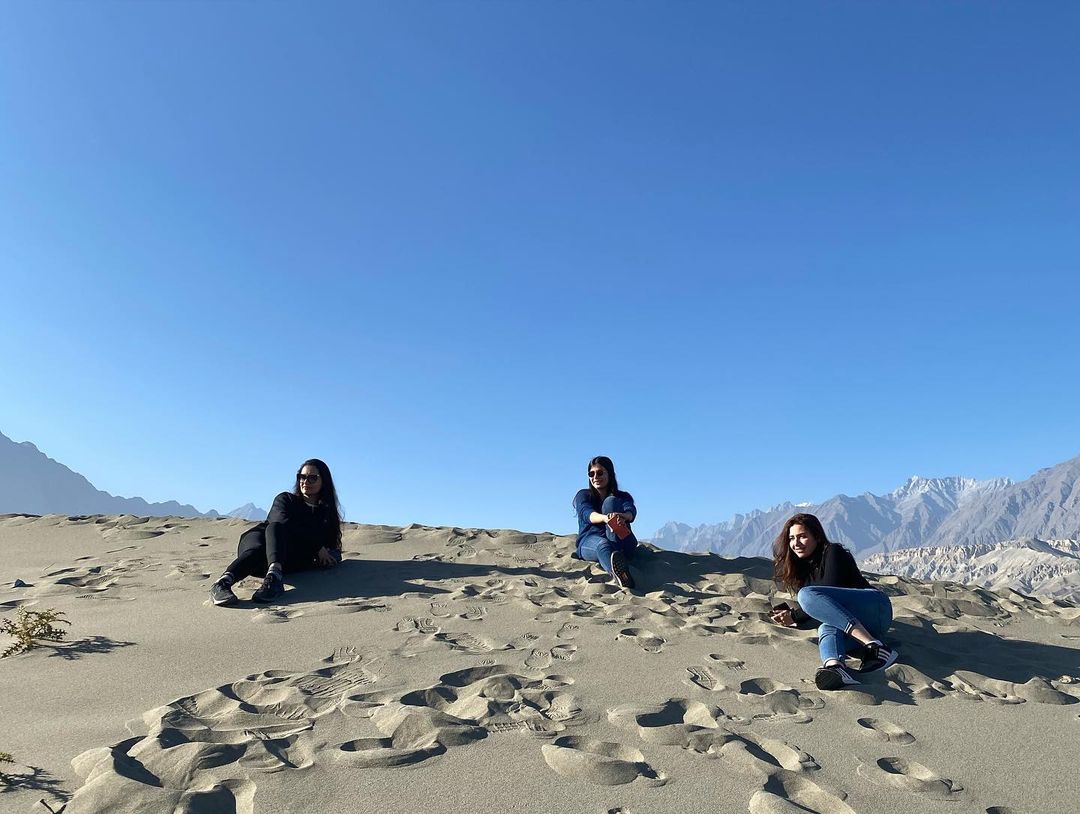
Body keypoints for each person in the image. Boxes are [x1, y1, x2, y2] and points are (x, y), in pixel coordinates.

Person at [769, 512, 898, 690]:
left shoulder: (833, 552)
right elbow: (825, 610)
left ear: (817, 536)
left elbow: (827, 596)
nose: (796, 543)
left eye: (803, 536)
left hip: (876, 608)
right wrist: (792, 616)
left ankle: (875, 647)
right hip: (862, 626)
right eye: (791, 538)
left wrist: (795, 616)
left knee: (806, 595)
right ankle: (835, 668)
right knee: (826, 627)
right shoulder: (802, 570)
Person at [209, 459, 344, 606]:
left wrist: (327, 558)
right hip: (260, 540)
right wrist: (316, 547)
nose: (306, 481)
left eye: (312, 477)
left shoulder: (325, 515)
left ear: (324, 481)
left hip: (286, 558)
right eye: (302, 477)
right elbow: (282, 521)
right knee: (272, 532)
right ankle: (222, 583)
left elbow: (333, 549)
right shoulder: (285, 499)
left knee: (283, 550)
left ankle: (273, 578)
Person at [573, 456, 638, 589]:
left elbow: (631, 511)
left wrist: (622, 516)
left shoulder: (623, 496)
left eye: (600, 472)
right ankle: (620, 575)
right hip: (591, 540)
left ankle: (618, 556)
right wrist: (605, 518)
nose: (595, 476)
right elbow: (587, 514)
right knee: (603, 545)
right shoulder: (583, 495)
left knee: (611, 501)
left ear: (610, 474)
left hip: (621, 539)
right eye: (592, 473)